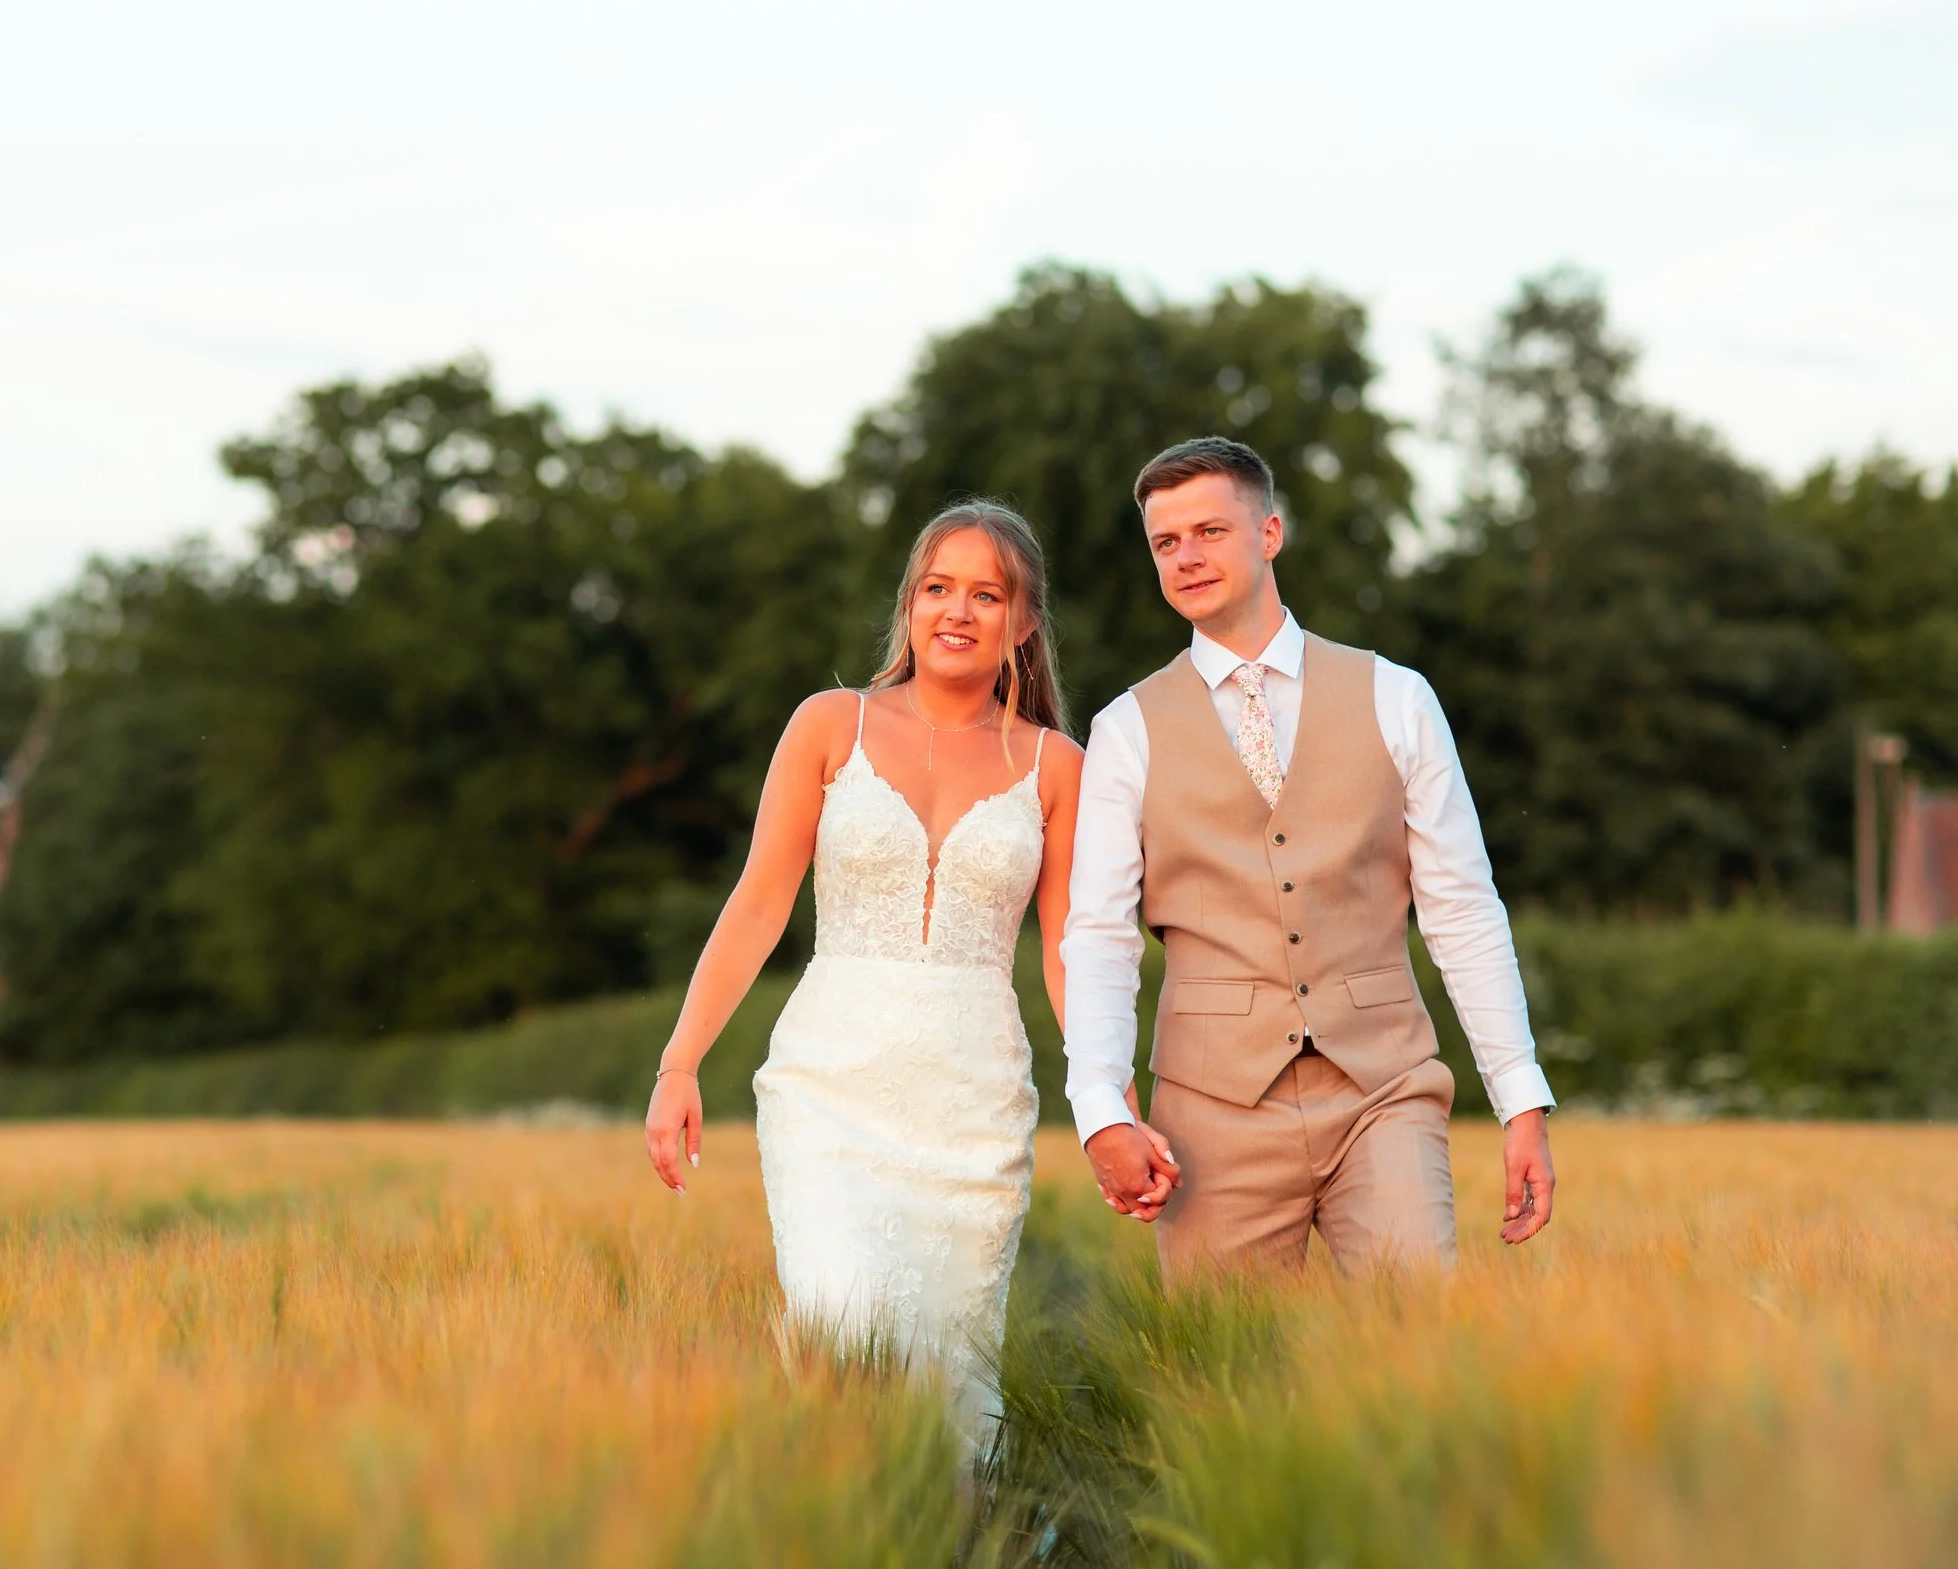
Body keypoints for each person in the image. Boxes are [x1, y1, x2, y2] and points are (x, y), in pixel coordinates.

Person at [643, 500, 1107, 1454]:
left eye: (987, 594)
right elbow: (759, 903)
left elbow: (1070, 954)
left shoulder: (1059, 766)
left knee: (950, 1377)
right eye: (938, 587)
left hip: (974, 1105)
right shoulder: (829, 723)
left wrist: (1111, 1100)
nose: (957, 611)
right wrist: (678, 1060)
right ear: (908, 601)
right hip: (831, 1089)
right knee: (839, 1328)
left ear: (1023, 622)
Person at [1064, 436, 1557, 1278]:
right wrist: (1099, 1106)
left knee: (1417, 1354)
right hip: (1210, 1114)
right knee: (1227, 1388)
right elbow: (1101, 936)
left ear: (1270, 534)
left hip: (1384, 1089)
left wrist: (1521, 1098)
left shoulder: (1397, 696)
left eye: (1209, 531)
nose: (1186, 557)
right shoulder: (1125, 730)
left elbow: (1463, 907)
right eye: (1165, 542)